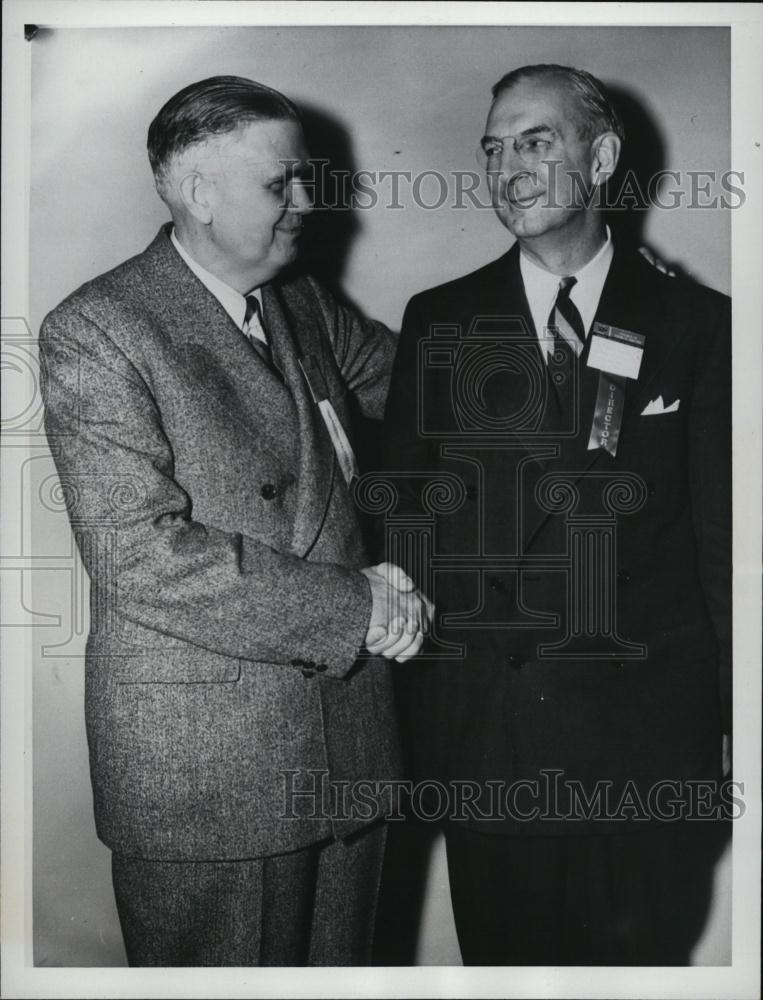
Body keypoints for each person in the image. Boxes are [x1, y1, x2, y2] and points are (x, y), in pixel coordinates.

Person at [39, 75, 430, 967]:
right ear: (195, 192)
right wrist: (355, 611)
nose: (305, 202)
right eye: (278, 183)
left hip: (350, 753)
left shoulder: (301, 304)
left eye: (307, 179)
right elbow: (140, 554)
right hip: (209, 776)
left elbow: (430, 391)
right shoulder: (98, 330)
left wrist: (575, 309)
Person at [382, 64, 731, 965]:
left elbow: (725, 547)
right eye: (493, 149)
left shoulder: (701, 325)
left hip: (646, 747)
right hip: (492, 739)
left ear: (602, 156)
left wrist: (737, 720)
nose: (508, 168)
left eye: (536, 141)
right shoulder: (439, 320)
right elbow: (401, 523)